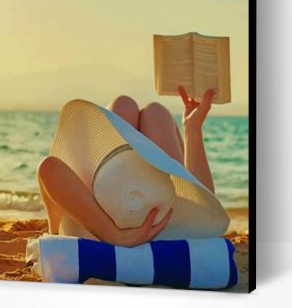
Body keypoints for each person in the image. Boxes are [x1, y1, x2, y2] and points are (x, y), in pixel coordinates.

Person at [37, 85, 217, 247]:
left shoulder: (89, 228)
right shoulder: (177, 228)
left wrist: (114, 236)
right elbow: (207, 211)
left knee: (126, 105)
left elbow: (49, 168)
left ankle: (55, 226)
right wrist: (192, 128)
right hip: (165, 224)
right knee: (155, 112)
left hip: (103, 219)